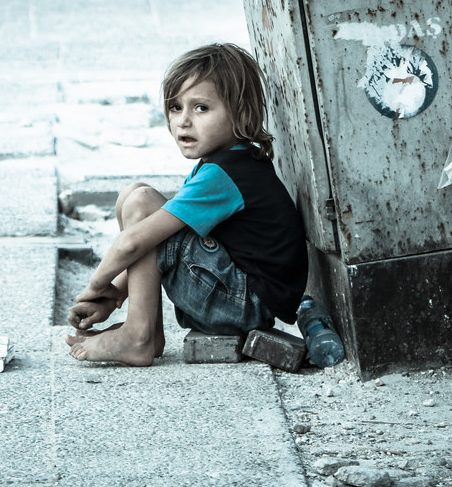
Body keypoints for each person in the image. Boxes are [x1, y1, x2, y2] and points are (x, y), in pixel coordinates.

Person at [65, 43, 308, 366]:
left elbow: (134, 243)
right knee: (135, 194)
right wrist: (115, 297)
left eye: (201, 108)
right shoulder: (229, 164)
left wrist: (97, 287)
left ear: (241, 114)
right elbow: (152, 249)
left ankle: (137, 336)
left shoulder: (223, 175)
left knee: (142, 204)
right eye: (176, 107)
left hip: (243, 305)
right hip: (243, 299)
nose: (183, 121)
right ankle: (146, 332)